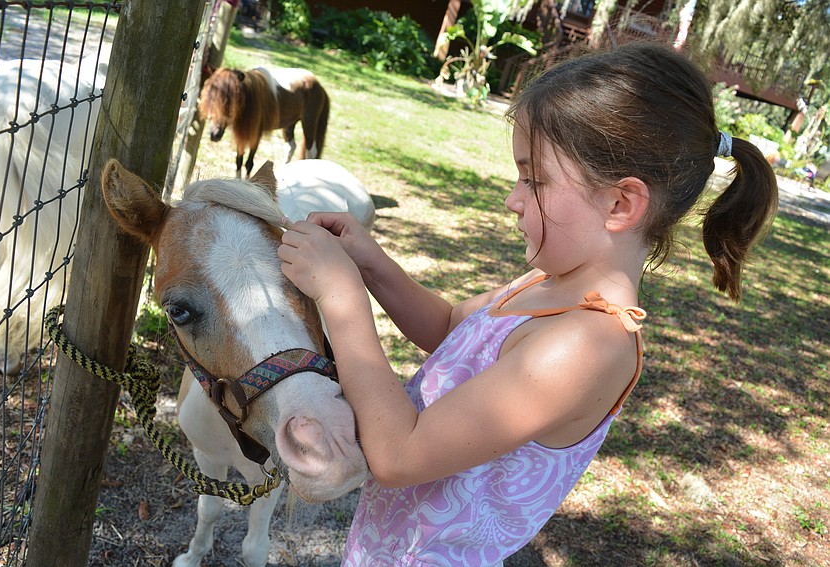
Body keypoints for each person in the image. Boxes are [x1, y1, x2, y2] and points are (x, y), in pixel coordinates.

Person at [277, 41, 778, 566]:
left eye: (533, 179)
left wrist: (342, 297)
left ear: (620, 203)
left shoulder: (591, 344)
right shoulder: (547, 282)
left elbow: (400, 456)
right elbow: (450, 329)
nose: (513, 198)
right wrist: (371, 263)